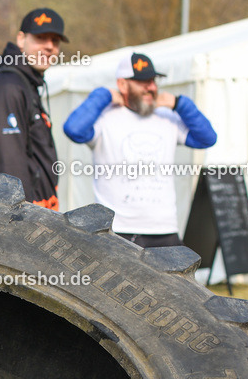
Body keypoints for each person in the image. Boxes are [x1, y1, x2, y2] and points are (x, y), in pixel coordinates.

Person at [63, 52, 217, 247]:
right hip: (116, 230)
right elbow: (73, 129)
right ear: (122, 84)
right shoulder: (106, 118)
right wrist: (103, 95)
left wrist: (180, 104)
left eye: (153, 81)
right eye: (143, 82)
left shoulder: (166, 117)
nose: (151, 87)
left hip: (164, 229)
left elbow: (207, 138)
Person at [0, 8, 67, 209]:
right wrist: (25, 218)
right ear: (21, 39)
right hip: (24, 217)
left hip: (41, 212)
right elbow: (10, 169)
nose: (49, 46)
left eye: (55, 41)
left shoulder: (26, 82)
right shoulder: (8, 86)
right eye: (40, 38)